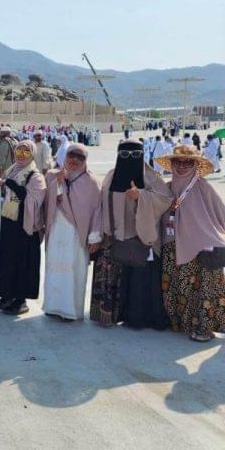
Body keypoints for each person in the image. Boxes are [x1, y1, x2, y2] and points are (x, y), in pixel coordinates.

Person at [90, 139, 172, 329]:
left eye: (136, 155)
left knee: (139, 281)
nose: (130, 159)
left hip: (141, 240)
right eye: (125, 155)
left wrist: (141, 196)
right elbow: (100, 206)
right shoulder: (111, 177)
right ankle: (110, 315)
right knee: (113, 278)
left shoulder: (151, 177)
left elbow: (165, 199)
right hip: (113, 238)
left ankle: (138, 318)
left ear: (143, 155)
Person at [155, 145, 225, 342]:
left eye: (188, 162)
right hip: (173, 247)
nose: (183, 166)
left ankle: (204, 328)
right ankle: (182, 323)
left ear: (196, 164)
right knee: (179, 287)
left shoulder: (203, 187)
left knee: (203, 289)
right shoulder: (167, 188)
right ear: (172, 164)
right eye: (178, 162)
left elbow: (220, 212)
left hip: (200, 247)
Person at [42, 144, 102, 321]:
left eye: (80, 157)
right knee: (54, 269)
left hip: (77, 234)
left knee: (74, 271)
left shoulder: (91, 183)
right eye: (71, 155)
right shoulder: (53, 175)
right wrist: (56, 185)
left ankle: (70, 310)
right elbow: (44, 202)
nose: (75, 160)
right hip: (56, 230)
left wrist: (94, 237)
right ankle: (52, 306)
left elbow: (97, 211)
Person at [0, 140, 46, 316]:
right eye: (19, 151)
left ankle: (20, 300)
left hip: (25, 226)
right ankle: (7, 294)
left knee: (22, 263)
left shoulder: (35, 176)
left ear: (32, 154)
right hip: (10, 223)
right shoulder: (12, 170)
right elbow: (6, 194)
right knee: (8, 260)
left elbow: (35, 201)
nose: (21, 155)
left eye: (26, 151)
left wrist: (14, 186)